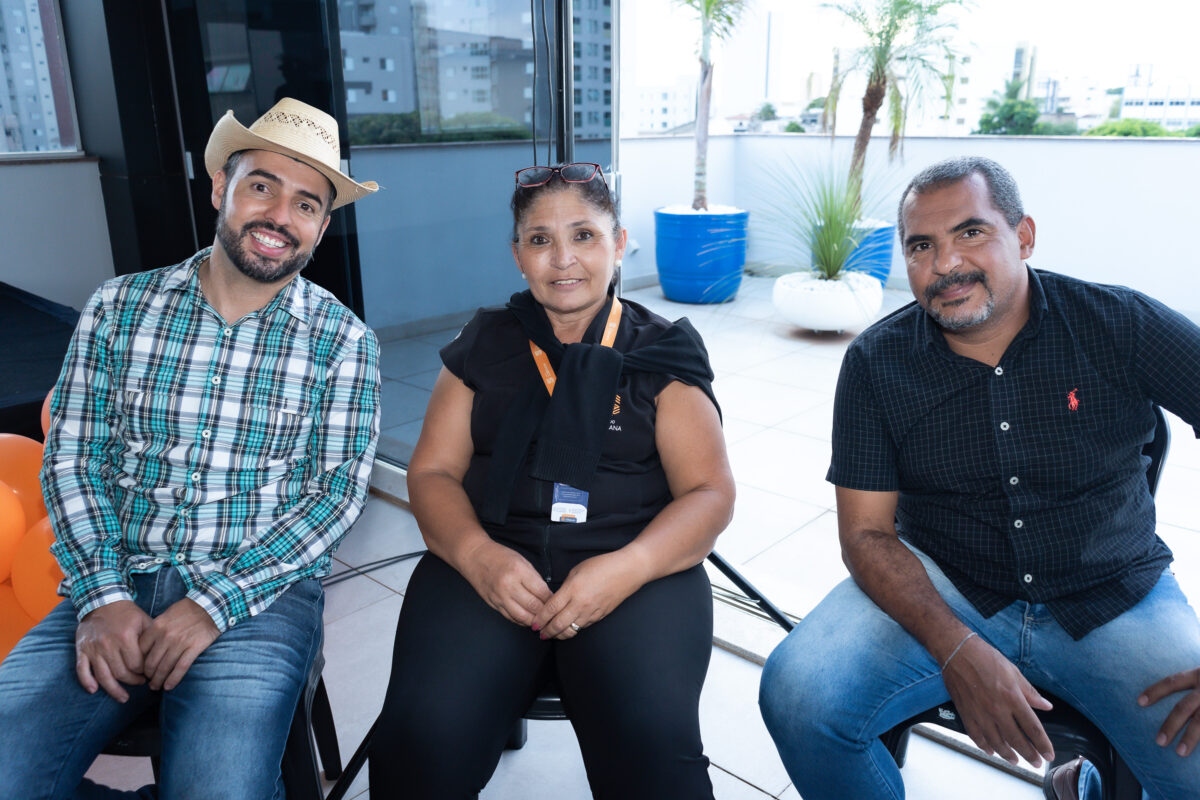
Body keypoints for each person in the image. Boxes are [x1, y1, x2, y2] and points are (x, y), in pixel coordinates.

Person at [758, 156, 1200, 800]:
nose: (944, 265)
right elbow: (866, 535)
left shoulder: (1119, 324)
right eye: (921, 246)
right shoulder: (876, 363)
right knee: (801, 698)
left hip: (1112, 590)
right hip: (947, 581)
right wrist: (955, 647)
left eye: (971, 233)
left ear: (1022, 236)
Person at [0, 98, 381, 799]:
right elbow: (73, 459)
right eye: (262, 186)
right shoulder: (119, 308)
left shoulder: (342, 341)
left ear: (322, 227)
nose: (278, 217)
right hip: (116, 569)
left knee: (219, 788)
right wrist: (103, 597)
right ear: (220, 188)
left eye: (306, 204)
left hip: (257, 593)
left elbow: (334, 496)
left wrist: (214, 604)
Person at [368, 162, 735, 799]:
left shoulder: (663, 352)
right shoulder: (482, 344)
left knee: (652, 744)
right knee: (420, 739)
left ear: (618, 243)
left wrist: (626, 567)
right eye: (540, 240)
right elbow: (431, 472)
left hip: (634, 572)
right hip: (488, 564)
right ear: (517, 255)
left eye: (584, 236)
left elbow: (710, 493)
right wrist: (478, 557)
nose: (563, 259)